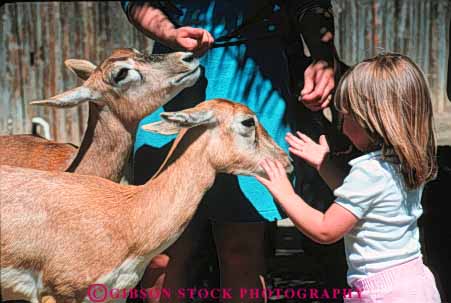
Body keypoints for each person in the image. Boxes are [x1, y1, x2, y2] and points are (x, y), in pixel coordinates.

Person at [121, 1, 344, 302]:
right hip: (176, 71)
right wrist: (170, 32)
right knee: (162, 251)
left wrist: (322, 56)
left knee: (241, 247)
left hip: (253, 71)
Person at [256, 53, 442, 302]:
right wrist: (324, 165)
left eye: (347, 116)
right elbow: (360, 204)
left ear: (374, 118)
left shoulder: (370, 171)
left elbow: (325, 230)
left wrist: (285, 194)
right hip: (415, 283)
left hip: (383, 293)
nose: (341, 126)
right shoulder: (404, 162)